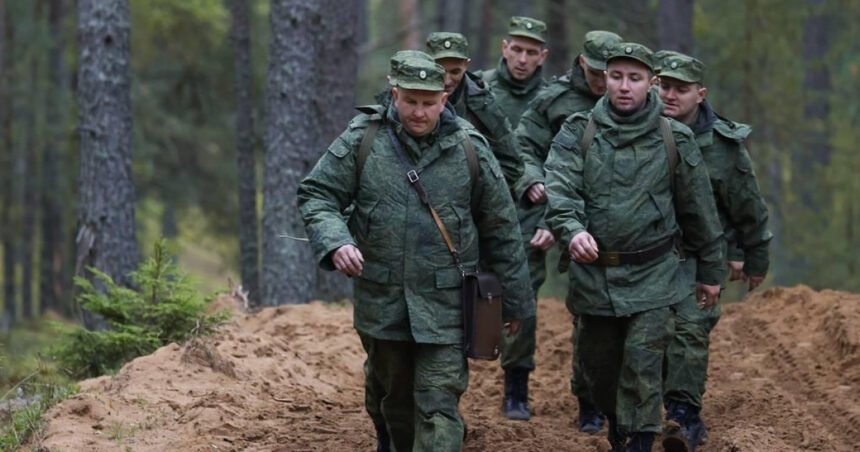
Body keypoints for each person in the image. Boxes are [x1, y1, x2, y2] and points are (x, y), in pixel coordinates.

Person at [298, 56, 534, 452]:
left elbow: (501, 228)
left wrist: (514, 302)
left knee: (438, 405)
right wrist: (336, 241)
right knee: (394, 401)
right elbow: (317, 193)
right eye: (410, 101)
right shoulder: (363, 139)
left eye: (428, 103)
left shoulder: (470, 147)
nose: (419, 112)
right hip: (383, 302)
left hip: (447, 305)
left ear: (444, 100)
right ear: (395, 96)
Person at [543, 42, 725, 451]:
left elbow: (699, 211)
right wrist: (573, 230)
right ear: (605, 79)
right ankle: (617, 423)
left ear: (651, 83)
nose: (624, 86)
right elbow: (560, 187)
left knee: (643, 363)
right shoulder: (578, 130)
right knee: (599, 370)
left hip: (654, 274)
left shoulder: (674, 138)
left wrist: (710, 272)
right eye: (616, 76)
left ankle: (641, 437)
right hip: (595, 275)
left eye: (635, 78)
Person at [655, 51, 772, 452]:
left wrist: (754, 256)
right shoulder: (632, 128)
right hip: (642, 251)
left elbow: (747, 206)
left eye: (681, 89)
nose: (670, 95)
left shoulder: (722, 146)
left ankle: (683, 415)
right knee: (647, 334)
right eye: (664, 86)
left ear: (700, 95)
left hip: (698, 254)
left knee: (690, 328)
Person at [514, 29, 622, 432]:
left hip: (618, 222)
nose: (603, 83)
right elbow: (523, 146)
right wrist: (532, 180)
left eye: (610, 74)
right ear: (581, 63)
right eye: (596, 74)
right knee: (584, 313)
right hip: (559, 208)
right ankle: (586, 402)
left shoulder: (637, 102)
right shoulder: (554, 100)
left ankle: (624, 401)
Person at [474, 15, 550, 421]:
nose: (522, 59)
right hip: (478, 209)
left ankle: (516, 388)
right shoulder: (478, 89)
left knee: (523, 298)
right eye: (516, 49)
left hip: (528, 214)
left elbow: (566, 163)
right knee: (472, 293)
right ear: (504, 48)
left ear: (543, 56)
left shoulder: (554, 100)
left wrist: (551, 219)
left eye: (530, 52)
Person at [425, 32, 530, 199]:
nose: (447, 80)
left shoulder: (482, 103)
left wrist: (477, 194)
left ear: (466, 65)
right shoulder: (407, 97)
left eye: (455, 71)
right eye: (440, 71)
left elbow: (512, 164)